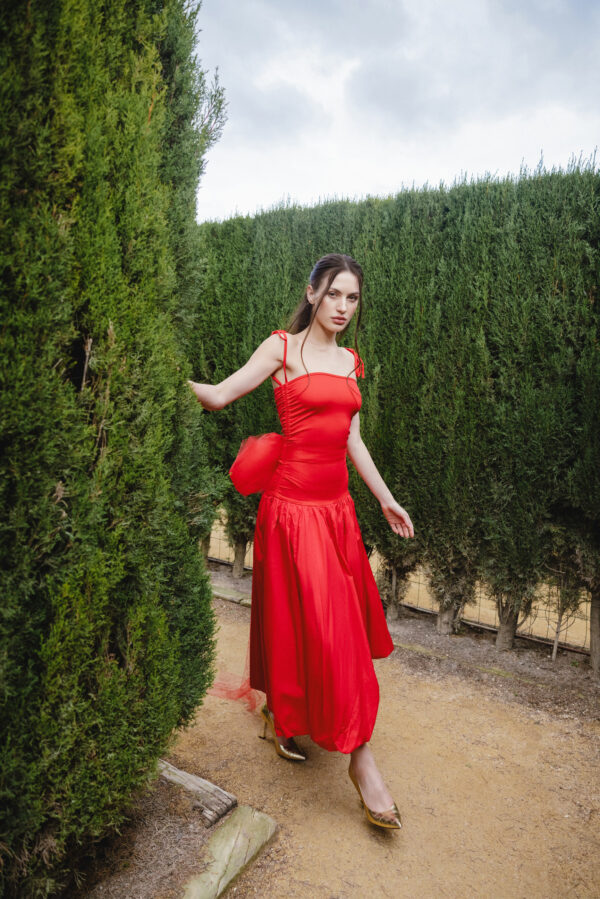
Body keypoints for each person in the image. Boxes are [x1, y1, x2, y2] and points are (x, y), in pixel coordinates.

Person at [187, 253, 414, 829]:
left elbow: (352, 439)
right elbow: (218, 396)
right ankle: (362, 763)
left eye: (352, 298)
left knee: (323, 624)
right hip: (291, 513)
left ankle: (282, 717)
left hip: (337, 514)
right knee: (319, 627)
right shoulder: (281, 349)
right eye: (334, 293)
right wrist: (162, 374)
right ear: (312, 293)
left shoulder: (350, 361)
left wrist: (385, 498)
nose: (343, 307)